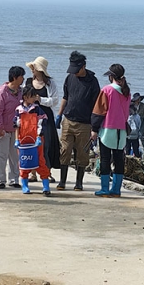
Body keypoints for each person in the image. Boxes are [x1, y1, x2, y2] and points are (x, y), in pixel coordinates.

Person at [56, 50, 100, 191]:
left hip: (84, 124)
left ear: (83, 66)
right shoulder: (69, 78)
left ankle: (79, 182)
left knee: (82, 153)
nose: (74, 72)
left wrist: (95, 127)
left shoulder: (93, 82)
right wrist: (59, 115)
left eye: (77, 69)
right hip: (68, 120)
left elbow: (96, 106)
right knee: (65, 150)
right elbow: (65, 97)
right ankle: (62, 181)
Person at [91, 63, 131, 197]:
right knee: (119, 159)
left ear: (111, 77)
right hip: (122, 131)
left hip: (108, 130)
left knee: (105, 159)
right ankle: (116, 189)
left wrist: (94, 129)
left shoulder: (107, 90)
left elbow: (99, 111)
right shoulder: (127, 92)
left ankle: (104, 189)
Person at [25, 56, 60, 182]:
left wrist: (40, 99)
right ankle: (32, 172)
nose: (32, 70)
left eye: (34, 67)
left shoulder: (50, 83)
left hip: (46, 116)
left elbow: (54, 101)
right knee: (31, 143)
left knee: (47, 144)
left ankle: (47, 171)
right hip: (31, 116)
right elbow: (23, 98)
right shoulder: (28, 82)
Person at [15, 83, 51, 196]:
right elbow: (16, 126)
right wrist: (17, 140)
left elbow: (42, 123)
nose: (34, 98)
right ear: (25, 97)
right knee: (24, 162)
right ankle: (25, 186)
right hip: (23, 140)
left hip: (36, 140)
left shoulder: (37, 109)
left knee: (40, 162)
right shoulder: (19, 110)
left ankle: (46, 186)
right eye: (32, 96)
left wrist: (39, 137)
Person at [0, 66, 24, 189]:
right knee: (2, 155)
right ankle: (0, 180)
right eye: (21, 76)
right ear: (15, 78)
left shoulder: (21, 92)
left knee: (15, 156)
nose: (23, 79)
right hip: (4, 129)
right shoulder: (3, 92)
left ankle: (14, 179)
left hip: (17, 129)